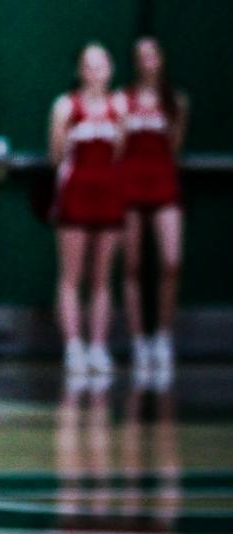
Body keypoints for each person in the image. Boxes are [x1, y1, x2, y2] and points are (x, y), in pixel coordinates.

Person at [49, 44, 127, 391]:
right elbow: (56, 155)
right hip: (76, 192)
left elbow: (122, 150)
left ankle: (97, 346)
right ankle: (73, 347)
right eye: (88, 66)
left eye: (101, 66)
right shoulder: (66, 106)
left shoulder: (119, 107)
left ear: (110, 70)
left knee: (102, 276)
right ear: (80, 70)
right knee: (71, 275)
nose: (94, 73)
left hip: (108, 193)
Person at [120, 36, 188, 391]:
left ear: (161, 59)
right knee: (131, 265)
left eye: (153, 55)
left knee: (171, 260)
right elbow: (117, 145)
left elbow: (175, 145)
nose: (148, 61)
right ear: (135, 61)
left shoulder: (175, 102)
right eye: (141, 56)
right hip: (130, 185)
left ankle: (162, 334)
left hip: (163, 184)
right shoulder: (124, 100)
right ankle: (139, 341)